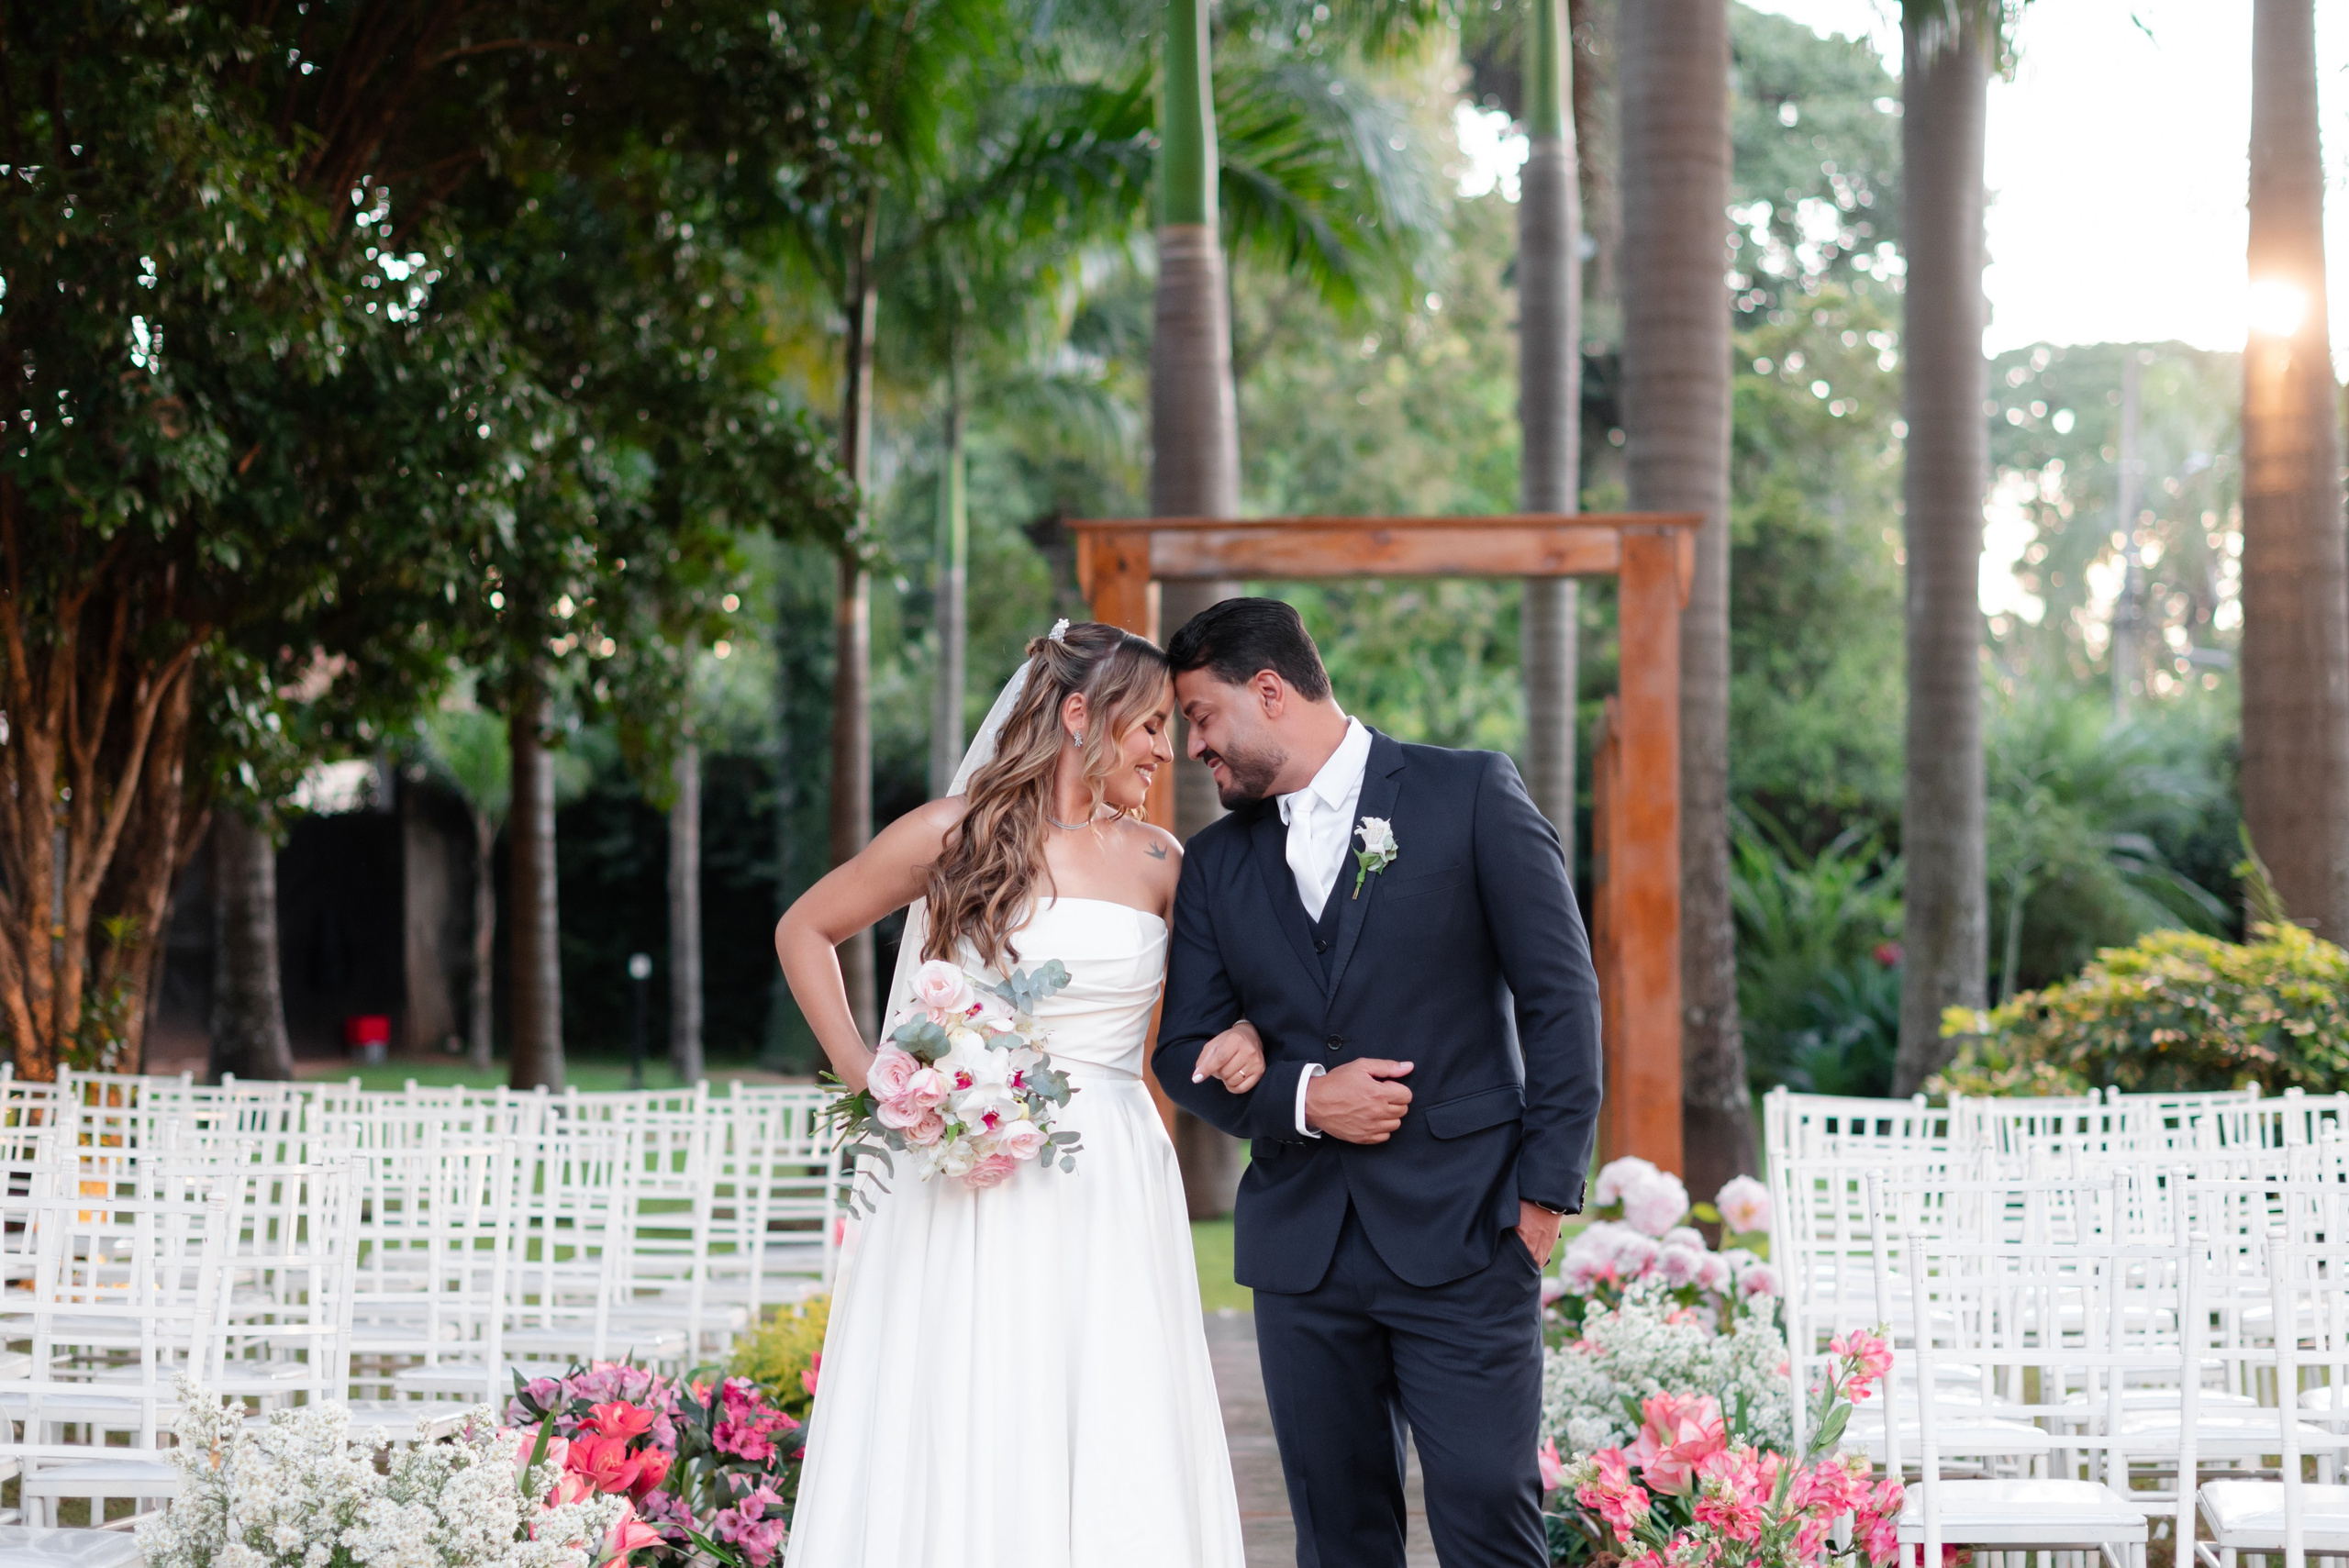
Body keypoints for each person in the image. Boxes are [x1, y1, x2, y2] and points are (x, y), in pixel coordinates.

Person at [774, 619, 1259, 1568]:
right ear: (1080, 714)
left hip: (1111, 1170)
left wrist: (1243, 1032)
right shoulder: (947, 834)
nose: (1169, 748)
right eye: (1150, 724)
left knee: (1107, 1394)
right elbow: (806, 928)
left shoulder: (1163, 860)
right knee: (969, 1388)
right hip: (964, 1174)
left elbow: (1228, 1002)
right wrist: (870, 1075)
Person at [1154, 596, 1604, 1568]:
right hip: (1301, 1256)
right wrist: (1304, 1098)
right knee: (1337, 1531)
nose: (1192, 746)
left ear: (1268, 690)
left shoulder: (1468, 793)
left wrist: (1541, 1198)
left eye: (1199, 714)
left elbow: (1562, 1000)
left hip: (1469, 1230)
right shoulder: (1216, 863)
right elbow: (1179, 1047)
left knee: (1488, 1505)